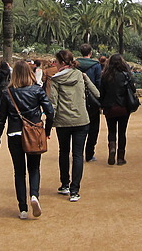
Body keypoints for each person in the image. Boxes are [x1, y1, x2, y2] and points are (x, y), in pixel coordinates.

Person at [0, 61, 55, 220]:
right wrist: (46, 130)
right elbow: (50, 111)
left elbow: (1, 118)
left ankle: (22, 208)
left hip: (14, 134)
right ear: (30, 73)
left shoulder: (8, 92)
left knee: (19, 172)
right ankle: (34, 195)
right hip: (33, 134)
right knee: (34, 168)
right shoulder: (37, 90)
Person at [48, 49, 100, 202]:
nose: (55, 64)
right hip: (81, 119)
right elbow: (96, 93)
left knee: (63, 152)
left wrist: (49, 122)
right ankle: (75, 190)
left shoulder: (55, 80)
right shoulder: (81, 75)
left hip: (63, 121)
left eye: (56, 62)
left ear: (62, 63)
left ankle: (64, 184)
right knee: (78, 155)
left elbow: (54, 103)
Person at [99, 53, 135, 165]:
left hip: (109, 107)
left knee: (112, 130)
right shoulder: (125, 75)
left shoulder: (105, 76)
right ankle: (120, 157)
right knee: (122, 132)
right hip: (123, 107)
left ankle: (112, 148)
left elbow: (102, 92)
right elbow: (133, 89)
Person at [76, 43, 102, 162]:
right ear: (90, 53)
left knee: (79, 127)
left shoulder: (75, 64)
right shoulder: (96, 65)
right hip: (93, 100)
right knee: (94, 127)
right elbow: (98, 82)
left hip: (78, 98)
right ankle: (89, 153)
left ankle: (78, 154)